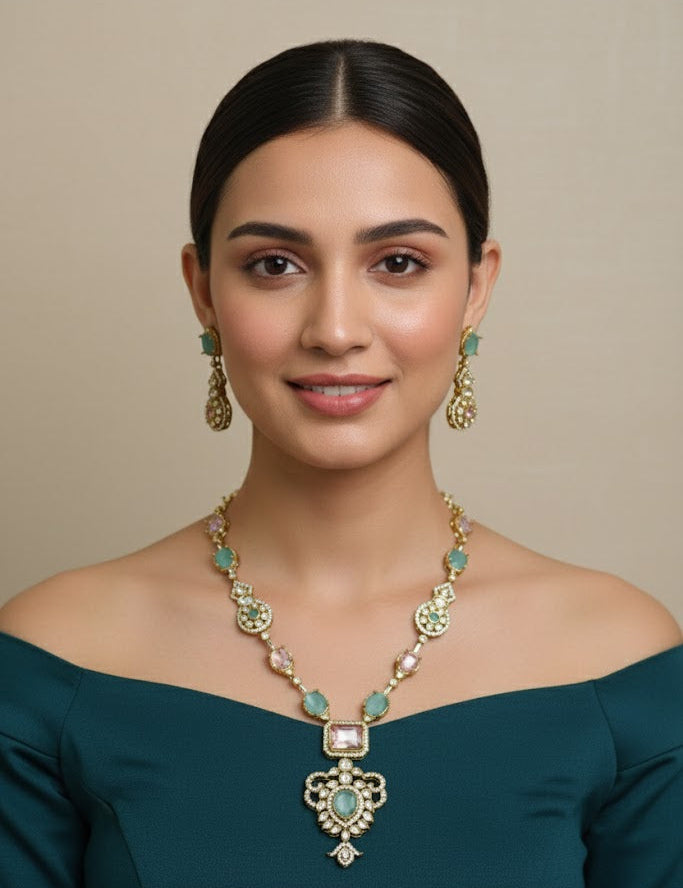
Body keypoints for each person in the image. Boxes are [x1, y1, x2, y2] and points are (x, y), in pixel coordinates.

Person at [0, 38, 681, 887]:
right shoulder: (54, 659)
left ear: (475, 288)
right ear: (203, 290)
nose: (334, 328)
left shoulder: (617, 662)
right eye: (273, 265)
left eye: (397, 264)